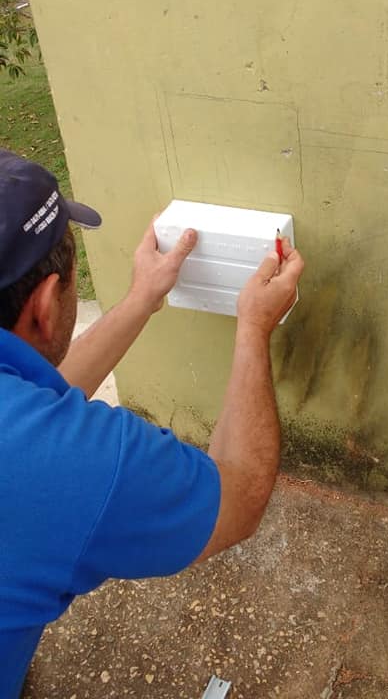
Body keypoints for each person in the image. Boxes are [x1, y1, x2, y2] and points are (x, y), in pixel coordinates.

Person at [0, 148, 304, 698]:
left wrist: (142, 298)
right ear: (44, 306)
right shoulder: (76, 463)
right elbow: (239, 498)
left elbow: (32, 404)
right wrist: (253, 328)